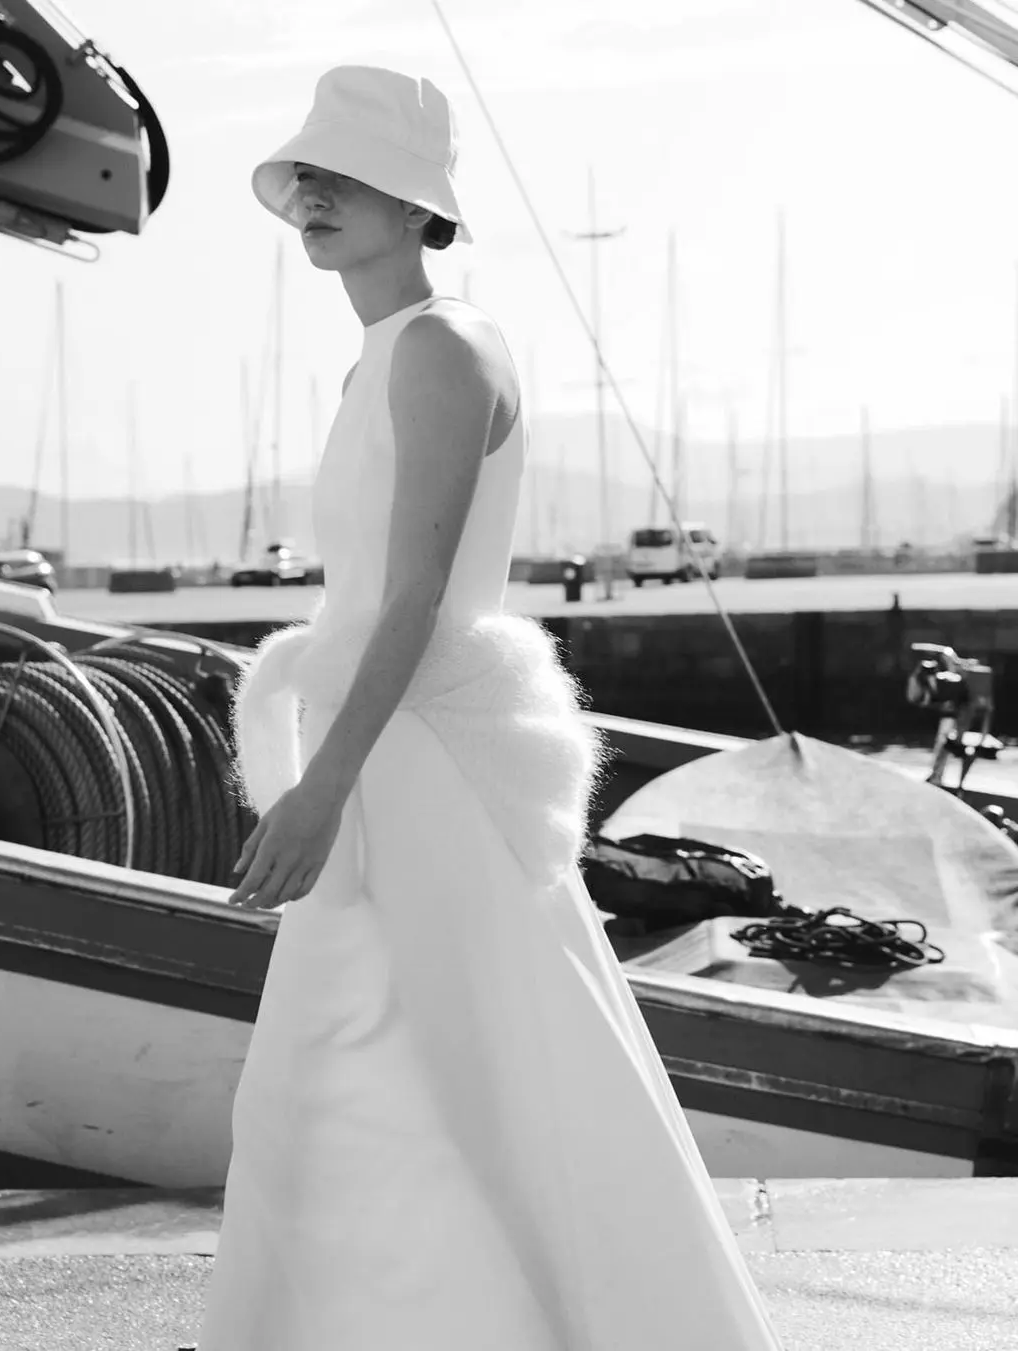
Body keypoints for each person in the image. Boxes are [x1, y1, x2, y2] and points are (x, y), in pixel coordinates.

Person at [191, 64, 786, 1351]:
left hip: (413, 765)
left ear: (423, 209)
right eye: (309, 175)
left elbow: (412, 602)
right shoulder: (385, 360)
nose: (317, 198)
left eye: (350, 178)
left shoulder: (444, 348)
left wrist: (321, 787)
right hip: (390, 753)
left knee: (434, 1061)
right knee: (359, 1065)